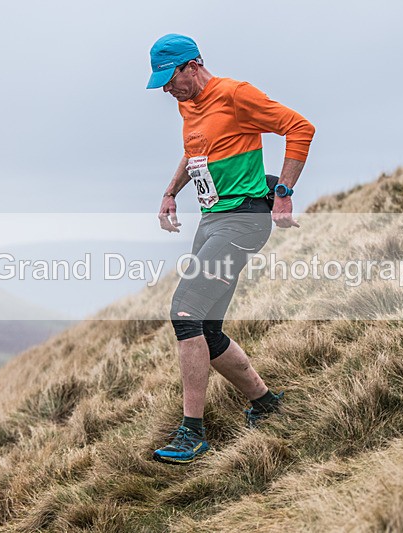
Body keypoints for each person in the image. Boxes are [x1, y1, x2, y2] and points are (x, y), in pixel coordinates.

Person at [146, 33, 315, 464]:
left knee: (184, 312)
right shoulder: (189, 105)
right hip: (211, 220)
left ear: (192, 64)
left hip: (244, 220)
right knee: (207, 327)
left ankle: (192, 433)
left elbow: (300, 127)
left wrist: (284, 192)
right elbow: (194, 152)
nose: (167, 89)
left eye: (171, 78)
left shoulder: (235, 94)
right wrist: (170, 193)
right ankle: (265, 403)